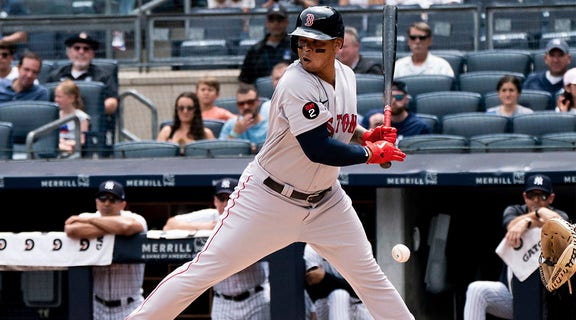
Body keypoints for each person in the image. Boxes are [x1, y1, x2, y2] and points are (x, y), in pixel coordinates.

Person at [127, 6, 412, 320]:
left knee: (370, 278)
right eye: (302, 41)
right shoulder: (295, 82)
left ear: (337, 45)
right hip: (268, 199)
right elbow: (317, 147)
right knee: (203, 272)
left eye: (317, 44)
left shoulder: (346, 76)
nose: (306, 50)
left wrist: (364, 136)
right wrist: (372, 154)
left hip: (327, 203)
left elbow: (337, 125)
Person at [463, 174, 570, 320]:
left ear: (551, 198)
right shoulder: (514, 210)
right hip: (511, 294)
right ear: (525, 196)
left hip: (545, 301)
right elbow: (511, 227)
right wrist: (530, 219)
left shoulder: (559, 214)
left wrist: (530, 220)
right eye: (532, 195)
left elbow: (560, 224)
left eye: (542, 196)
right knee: (476, 290)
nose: (536, 200)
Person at [163, 178, 271, 320]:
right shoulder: (211, 216)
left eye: (229, 198)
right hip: (223, 301)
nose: (225, 203)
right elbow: (170, 224)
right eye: (221, 199)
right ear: (215, 201)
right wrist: (208, 227)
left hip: (255, 297)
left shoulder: (251, 215)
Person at [65, 180, 148, 320]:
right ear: (96, 201)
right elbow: (71, 229)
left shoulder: (134, 218)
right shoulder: (88, 216)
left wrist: (90, 221)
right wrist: (109, 227)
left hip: (130, 306)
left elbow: (126, 227)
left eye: (113, 199)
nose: (107, 203)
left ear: (123, 204)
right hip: (98, 306)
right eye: (103, 198)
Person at [47, 32, 119, 116]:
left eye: (86, 49)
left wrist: (88, 111)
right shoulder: (56, 76)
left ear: (92, 54)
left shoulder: (104, 76)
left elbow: (112, 103)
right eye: (77, 48)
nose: (81, 52)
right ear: (69, 53)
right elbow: (48, 103)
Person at [304, 244, 374, 320]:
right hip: (326, 305)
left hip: (359, 306)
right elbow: (314, 286)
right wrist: (347, 284)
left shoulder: (361, 244)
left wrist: (326, 278)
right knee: (339, 295)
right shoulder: (312, 246)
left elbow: (363, 290)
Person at [0, 50, 49, 121]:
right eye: (26, 70)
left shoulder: (41, 93)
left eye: (34, 72)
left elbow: (38, 120)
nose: (29, 75)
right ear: (18, 68)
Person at [238, 5, 296, 85]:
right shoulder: (255, 50)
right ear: (266, 23)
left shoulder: (295, 47)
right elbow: (244, 80)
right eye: (272, 20)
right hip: (261, 95)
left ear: (286, 22)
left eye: (279, 19)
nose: (276, 23)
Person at [362, 81, 431, 140]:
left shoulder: (418, 126)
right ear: (383, 99)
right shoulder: (371, 118)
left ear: (406, 99)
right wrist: (372, 128)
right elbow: (361, 148)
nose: (393, 101)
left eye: (399, 97)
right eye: (389, 97)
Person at [219, 83, 268, 152]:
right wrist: (235, 133)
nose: (246, 107)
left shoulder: (270, 126)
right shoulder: (231, 124)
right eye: (241, 104)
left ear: (258, 102)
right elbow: (220, 151)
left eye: (250, 102)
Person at [55, 79, 90, 157]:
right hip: (57, 148)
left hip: (73, 151)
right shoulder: (54, 115)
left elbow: (82, 140)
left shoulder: (82, 117)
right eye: (55, 96)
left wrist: (67, 144)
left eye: (59, 97)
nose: (56, 100)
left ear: (71, 98)